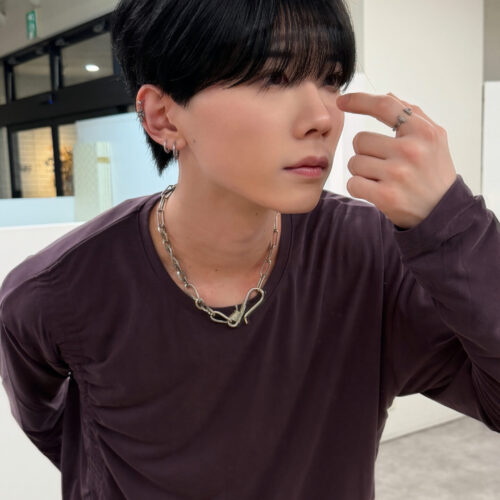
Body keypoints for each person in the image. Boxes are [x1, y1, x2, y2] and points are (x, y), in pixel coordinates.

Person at [0, 0, 499, 499]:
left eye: (330, 78)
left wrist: (452, 223)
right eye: (273, 77)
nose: (321, 118)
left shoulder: (369, 254)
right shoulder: (60, 290)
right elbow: (54, 426)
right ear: (163, 117)